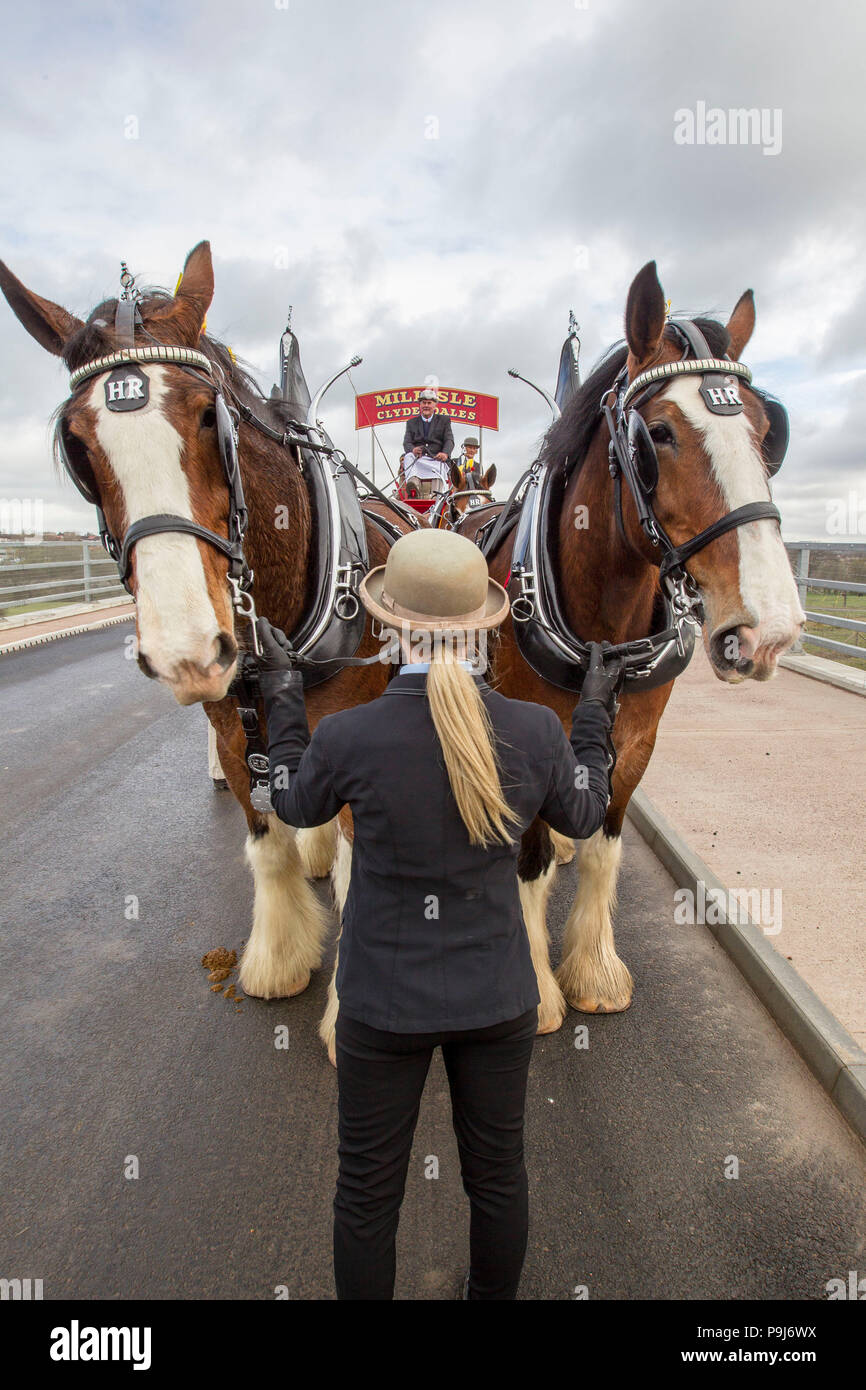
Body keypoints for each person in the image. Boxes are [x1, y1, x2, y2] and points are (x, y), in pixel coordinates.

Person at [254, 528, 623, 1301]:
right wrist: (593, 713)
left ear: (387, 626)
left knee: (366, 1194)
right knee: (497, 1178)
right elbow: (586, 815)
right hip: (498, 998)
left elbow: (289, 800)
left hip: (381, 1006)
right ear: (486, 625)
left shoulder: (350, 735)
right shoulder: (534, 730)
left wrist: (284, 699)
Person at [400, 388, 454, 498]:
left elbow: (449, 440)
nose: (426, 406)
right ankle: (413, 486)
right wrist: (413, 449)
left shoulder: (444, 420)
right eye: (423, 403)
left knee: (440, 466)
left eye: (429, 403)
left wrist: (445, 453)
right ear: (419, 405)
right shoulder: (411, 422)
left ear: (435, 405)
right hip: (418, 459)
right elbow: (407, 443)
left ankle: (436, 496)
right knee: (408, 456)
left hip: (436, 458)